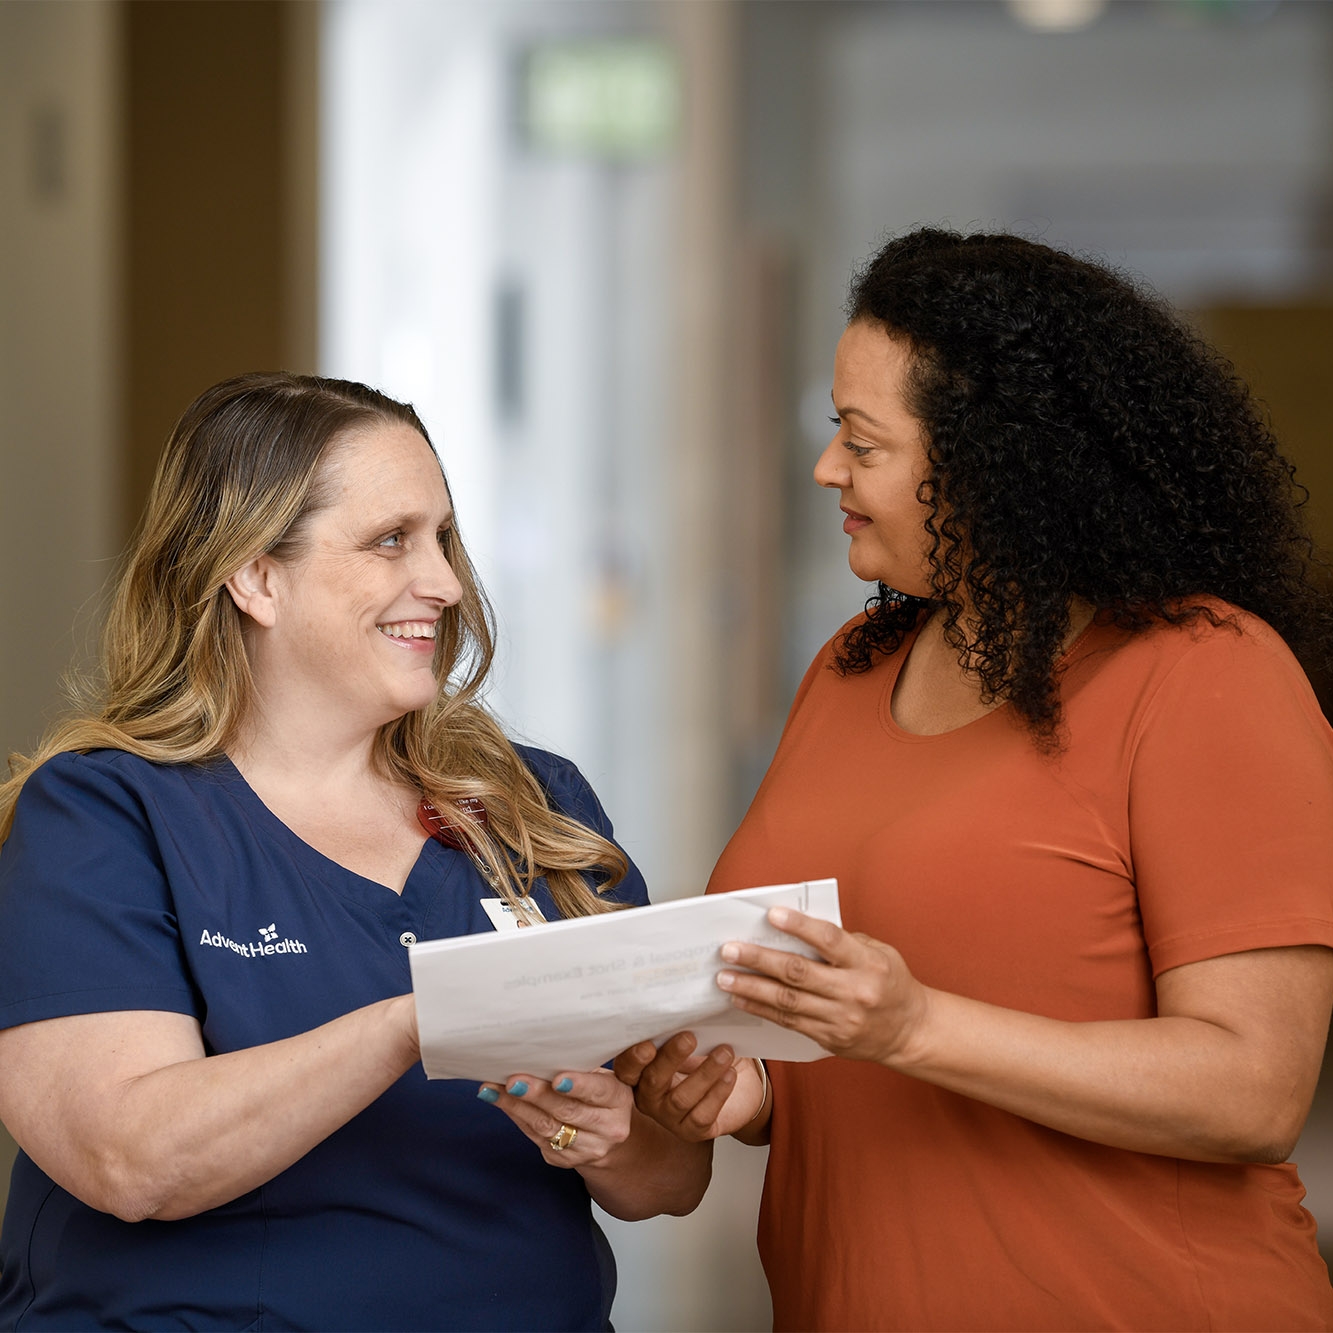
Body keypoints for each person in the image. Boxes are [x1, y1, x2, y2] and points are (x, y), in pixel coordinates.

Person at [616, 228, 1333, 1331]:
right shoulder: (849, 673)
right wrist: (748, 1093)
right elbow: (841, 1043)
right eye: (832, 431)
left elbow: (1251, 1091)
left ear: (998, 464)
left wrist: (913, 1026)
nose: (827, 470)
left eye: (864, 442)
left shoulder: (1205, 673)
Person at [0, 373, 711, 1330]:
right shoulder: (103, 814)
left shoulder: (531, 804)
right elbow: (129, 1161)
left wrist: (611, 1137)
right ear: (255, 574)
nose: (447, 583)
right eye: (391, 541)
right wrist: (413, 1023)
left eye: (444, 539)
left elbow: (670, 1179)